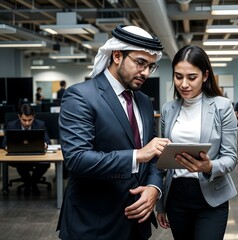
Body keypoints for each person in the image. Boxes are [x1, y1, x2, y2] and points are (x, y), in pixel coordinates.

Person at [56, 25, 171, 240]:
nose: (145, 72)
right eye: (140, 63)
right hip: (94, 224)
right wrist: (136, 155)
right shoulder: (80, 96)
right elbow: (77, 159)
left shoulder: (144, 102)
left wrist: (154, 188)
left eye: (150, 66)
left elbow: (155, 153)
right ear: (117, 56)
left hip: (138, 223)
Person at [155, 45, 238, 240]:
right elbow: (162, 160)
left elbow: (231, 158)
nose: (184, 84)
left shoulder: (222, 107)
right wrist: (160, 205)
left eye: (191, 77)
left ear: (205, 76)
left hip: (211, 196)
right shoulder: (168, 109)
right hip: (176, 195)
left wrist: (209, 166)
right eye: (178, 76)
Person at [1, 103, 51, 196]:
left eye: (30, 120)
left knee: (45, 164)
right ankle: (32, 184)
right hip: (19, 156)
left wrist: (44, 144)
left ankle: (30, 183)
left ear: (34, 116)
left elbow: (47, 141)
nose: (27, 123)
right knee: (21, 164)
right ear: (19, 117)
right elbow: (4, 143)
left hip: (37, 156)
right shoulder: (11, 125)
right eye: (24, 120)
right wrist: (9, 147)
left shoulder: (40, 124)